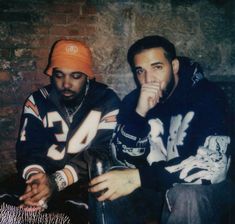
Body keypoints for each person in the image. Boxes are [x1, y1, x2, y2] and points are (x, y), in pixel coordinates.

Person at [89, 35, 232, 224]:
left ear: (174, 67)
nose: (148, 80)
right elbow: (121, 157)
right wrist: (139, 115)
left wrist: (138, 178)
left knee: (186, 195)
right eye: (140, 71)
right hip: (153, 187)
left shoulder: (208, 96)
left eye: (157, 67)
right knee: (106, 185)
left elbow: (213, 166)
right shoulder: (134, 101)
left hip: (208, 190)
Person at [2, 39, 120, 223]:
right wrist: (35, 182)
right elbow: (29, 148)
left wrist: (57, 181)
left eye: (75, 76)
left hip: (84, 182)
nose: (66, 84)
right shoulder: (38, 101)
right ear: (51, 74)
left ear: (88, 76)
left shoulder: (106, 100)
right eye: (59, 75)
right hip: (42, 174)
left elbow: (103, 151)